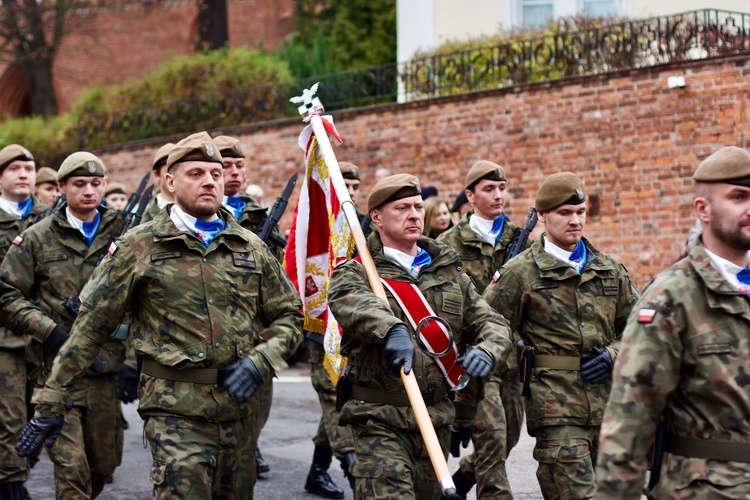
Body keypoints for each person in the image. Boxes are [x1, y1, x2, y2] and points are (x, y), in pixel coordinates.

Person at [14, 131, 304, 499]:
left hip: (239, 412)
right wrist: (51, 398)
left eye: (215, 174)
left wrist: (262, 360)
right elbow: (91, 327)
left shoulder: (250, 246)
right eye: (195, 173)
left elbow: (290, 317)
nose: (209, 182)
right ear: (170, 181)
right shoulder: (139, 246)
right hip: (174, 412)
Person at [329, 173, 514, 499]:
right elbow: (351, 303)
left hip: (436, 418)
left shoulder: (448, 269)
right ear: (376, 217)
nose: (414, 214)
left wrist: (488, 349)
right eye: (401, 208)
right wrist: (391, 328)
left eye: (417, 206)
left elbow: (492, 322)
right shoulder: (357, 271)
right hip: (379, 420)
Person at [596, 146, 750, 498]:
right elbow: (629, 423)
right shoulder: (671, 297)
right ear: (703, 209)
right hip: (706, 489)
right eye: (738, 197)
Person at [483, 171, 638, 499]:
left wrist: (613, 354)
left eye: (580, 212)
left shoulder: (609, 269)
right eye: (564, 213)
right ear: (542, 216)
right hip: (555, 408)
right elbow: (486, 327)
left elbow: (640, 330)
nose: (575, 221)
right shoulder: (519, 273)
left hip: (610, 407)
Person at [0, 152, 126, 499]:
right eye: (79, 184)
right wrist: (49, 331)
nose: (89, 191)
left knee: (102, 466)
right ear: (61, 188)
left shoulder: (127, 233)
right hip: (56, 376)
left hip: (103, 372)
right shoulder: (38, 237)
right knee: (72, 472)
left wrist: (132, 360)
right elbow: (7, 293)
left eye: (96, 183)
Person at [437, 160, 527, 498]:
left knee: (510, 436)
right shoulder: (449, 243)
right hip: (473, 361)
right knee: (492, 437)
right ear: (470, 196)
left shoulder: (520, 240)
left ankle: (460, 482)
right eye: (489, 189)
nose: (498, 195)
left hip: (512, 360)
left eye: (502, 188)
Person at [213, 134, 278, 477]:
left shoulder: (260, 215)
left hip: (256, 324)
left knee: (259, 397)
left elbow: (278, 269)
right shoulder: (201, 215)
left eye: (240, 166)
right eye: (226, 166)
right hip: (215, 322)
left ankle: (250, 443)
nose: (235, 173)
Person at [301, 160, 364, 499]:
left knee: (334, 405)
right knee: (336, 402)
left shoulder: (363, 228)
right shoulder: (320, 229)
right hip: (322, 335)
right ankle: (357, 476)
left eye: (355, 188)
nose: (350, 193)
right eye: (345, 186)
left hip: (353, 334)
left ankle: (315, 472)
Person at [0, 144, 47, 499]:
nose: (23, 175)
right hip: (5, 336)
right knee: (9, 413)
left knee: (40, 413)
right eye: (14, 168)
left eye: (28, 169)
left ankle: (17, 466)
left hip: (46, 335)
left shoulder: (50, 218)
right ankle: (10, 482)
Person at [140, 142, 175, 223]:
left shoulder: (197, 210)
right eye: (169, 171)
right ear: (157, 174)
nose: (174, 176)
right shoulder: (145, 218)